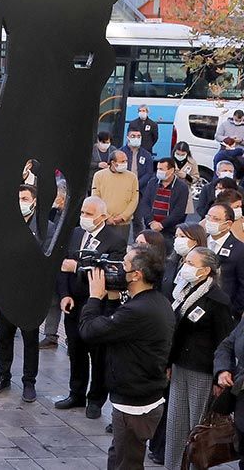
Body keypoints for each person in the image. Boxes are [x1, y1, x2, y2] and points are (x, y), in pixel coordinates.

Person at [79, 242, 174, 470]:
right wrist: (112, 300)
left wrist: (94, 298)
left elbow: (89, 331)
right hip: (140, 397)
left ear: (136, 275)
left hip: (135, 404)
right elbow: (117, 328)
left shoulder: (139, 310)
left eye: (124, 264)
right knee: (119, 456)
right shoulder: (154, 301)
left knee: (126, 463)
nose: (118, 269)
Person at [162, 246, 234, 469]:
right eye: (186, 262)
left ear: (205, 271)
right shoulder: (183, 291)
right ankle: (173, 465)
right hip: (181, 365)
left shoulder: (217, 299)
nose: (185, 267)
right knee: (175, 422)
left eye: (192, 264)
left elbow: (224, 341)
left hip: (202, 370)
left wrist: (218, 377)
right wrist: (169, 362)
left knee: (197, 426)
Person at [56, 196, 127, 419]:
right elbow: (62, 267)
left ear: (102, 217)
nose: (84, 217)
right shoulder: (76, 234)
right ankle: (75, 393)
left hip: (99, 306)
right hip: (74, 304)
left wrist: (77, 266)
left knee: (97, 355)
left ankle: (95, 398)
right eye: (83, 212)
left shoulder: (115, 241)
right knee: (75, 350)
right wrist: (65, 294)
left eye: (89, 214)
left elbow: (108, 273)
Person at [0, 185, 48, 403]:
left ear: (33, 201)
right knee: (4, 337)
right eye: (18, 198)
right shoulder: (5, 226)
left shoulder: (44, 227)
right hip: (7, 292)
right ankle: (3, 376)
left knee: (30, 339)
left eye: (24, 198)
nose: (20, 202)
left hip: (31, 295)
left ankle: (29, 381)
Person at [204, 203, 244, 316]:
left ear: (228, 224)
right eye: (208, 217)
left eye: (216, 219)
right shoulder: (200, 241)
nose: (210, 221)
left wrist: (234, 311)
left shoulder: (239, 250)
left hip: (221, 310)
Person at [137, 157, 189, 241]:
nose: (159, 171)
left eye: (161, 169)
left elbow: (179, 211)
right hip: (150, 228)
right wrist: (151, 222)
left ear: (171, 170)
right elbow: (145, 204)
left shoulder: (182, 187)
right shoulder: (152, 183)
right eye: (158, 169)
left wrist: (162, 224)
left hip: (169, 231)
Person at [91, 150, 139, 242]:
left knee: (120, 250)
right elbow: (96, 198)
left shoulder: (132, 177)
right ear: (113, 162)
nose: (125, 163)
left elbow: (134, 199)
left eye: (126, 161)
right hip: (103, 222)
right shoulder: (99, 175)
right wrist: (107, 217)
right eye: (122, 161)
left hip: (123, 224)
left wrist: (123, 217)